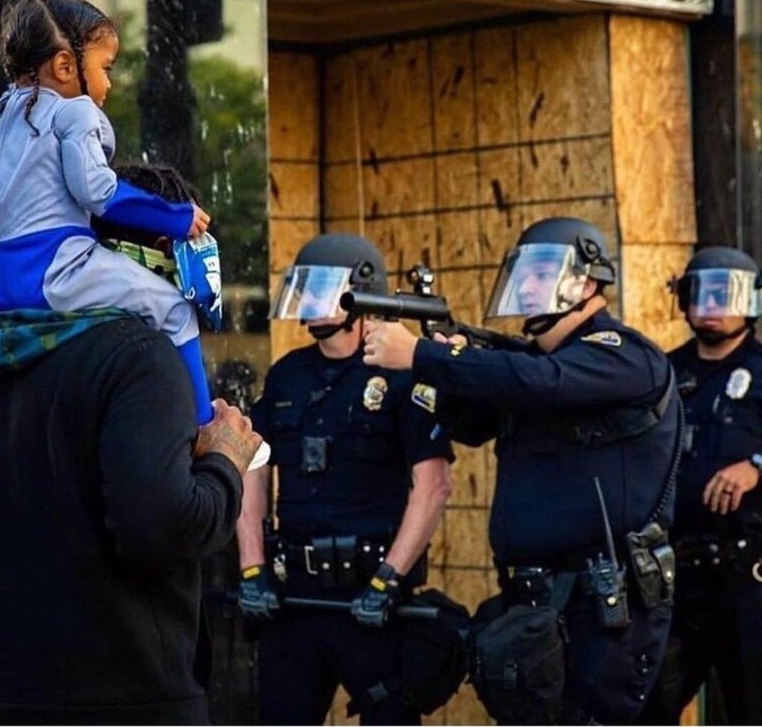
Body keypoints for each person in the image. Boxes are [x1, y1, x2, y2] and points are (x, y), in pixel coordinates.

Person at [362, 216, 682, 725]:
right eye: (524, 275)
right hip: (536, 603)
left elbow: (543, 381)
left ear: (590, 281)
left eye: (541, 274)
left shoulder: (625, 356)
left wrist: (421, 355)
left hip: (603, 605)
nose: (528, 287)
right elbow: (473, 420)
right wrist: (444, 366)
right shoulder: (527, 367)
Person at [0, 163, 265, 725]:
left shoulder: (12, 342)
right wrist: (225, 462)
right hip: (126, 694)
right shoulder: (140, 354)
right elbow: (163, 526)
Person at [235, 233, 455, 725]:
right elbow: (253, 462)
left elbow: (434, 485)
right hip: (292, 598)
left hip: (369, 598)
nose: (309, 303)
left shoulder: (400, 374)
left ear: (360, 293)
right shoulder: (287, 375)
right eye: (305, 290)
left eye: (322, 290)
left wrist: (388, 578)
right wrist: (252, 567)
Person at [0, 0, 216, 425]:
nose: (109, 84)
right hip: (55, 268)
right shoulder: (74, 113)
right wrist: (177, 218)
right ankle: (204, 424)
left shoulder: (0, 118)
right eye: (106, 68)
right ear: (64, 66)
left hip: (0, 280)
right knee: (172, 308)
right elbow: (99, 191)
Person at [637, 246, 762, 725]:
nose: (712, 305)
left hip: (747, 574)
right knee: (646, 707)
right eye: (700, 293)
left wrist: (755, 465)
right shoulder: (661, 374)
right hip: (674, 576)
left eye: (725, 294)